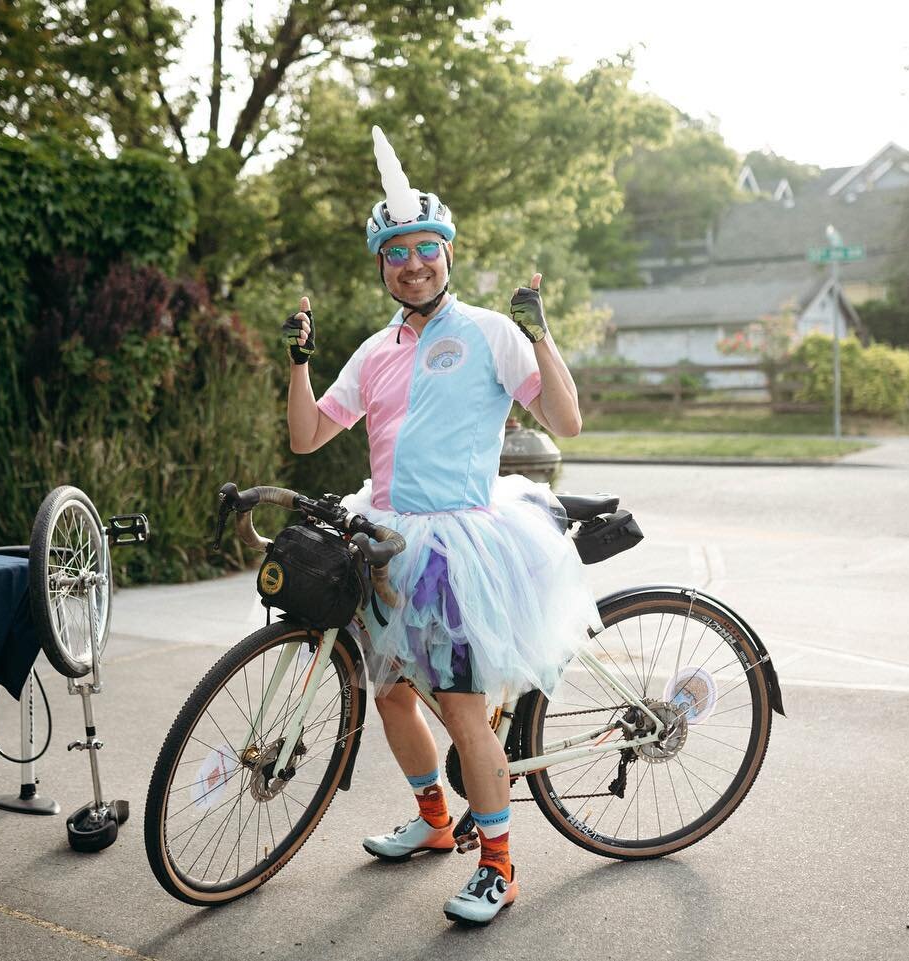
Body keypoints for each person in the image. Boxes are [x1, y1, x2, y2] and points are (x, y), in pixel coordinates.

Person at [282, 126, 599, 926]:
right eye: (397, 252)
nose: (413, 262)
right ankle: (433, 822)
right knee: (387, 692)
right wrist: (297, 363)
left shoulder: (490, 330)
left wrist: (540, 331)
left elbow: (567, 417)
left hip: (463, 544)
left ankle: (499, 864)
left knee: (460, 708)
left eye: (427, 247)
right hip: (386, 539)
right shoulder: (372, 352)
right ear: (382, 266)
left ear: (447, 254)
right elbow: (307, 436)